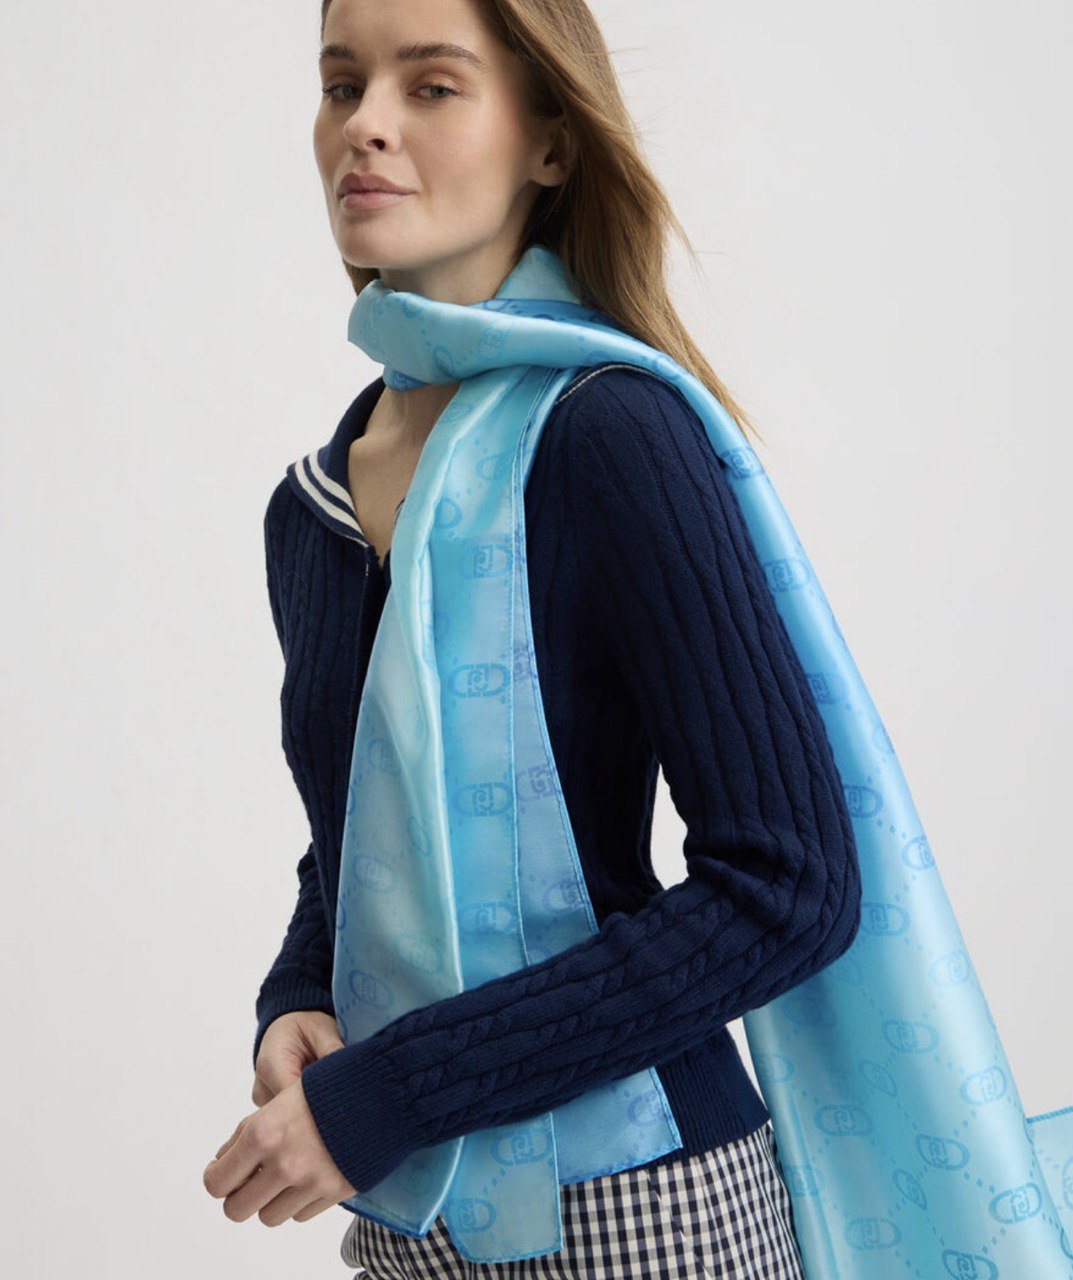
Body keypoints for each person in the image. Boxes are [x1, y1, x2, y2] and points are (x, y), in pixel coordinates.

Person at [203, 0, 863, 1275]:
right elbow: (359, 837)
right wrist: (300, 993)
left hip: (643, 1205)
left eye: (430, 86)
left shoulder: (611, 434)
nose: (366, 127)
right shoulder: (313, 506)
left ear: (549, 141)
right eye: (341, 86)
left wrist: (385, 1094)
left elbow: (788, 887)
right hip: (411, 1208)